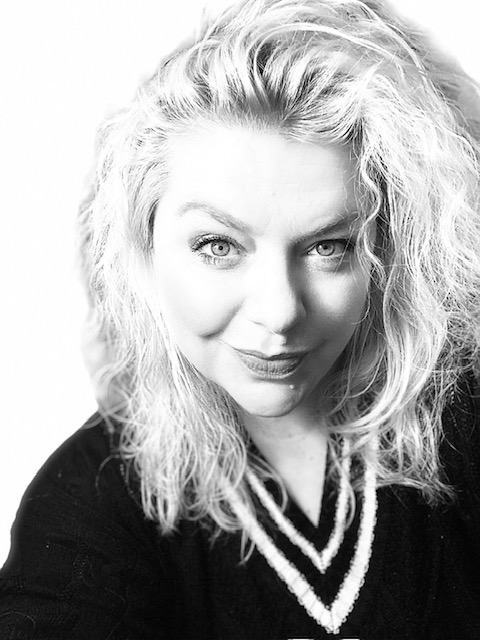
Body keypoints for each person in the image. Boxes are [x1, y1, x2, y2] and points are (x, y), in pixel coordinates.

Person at [1, 0, 480, 637]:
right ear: (144, 250)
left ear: (385, 254)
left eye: (328, 247)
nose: (279, 312)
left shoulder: (463, 416)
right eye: (218, 246)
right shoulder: (87, 498)